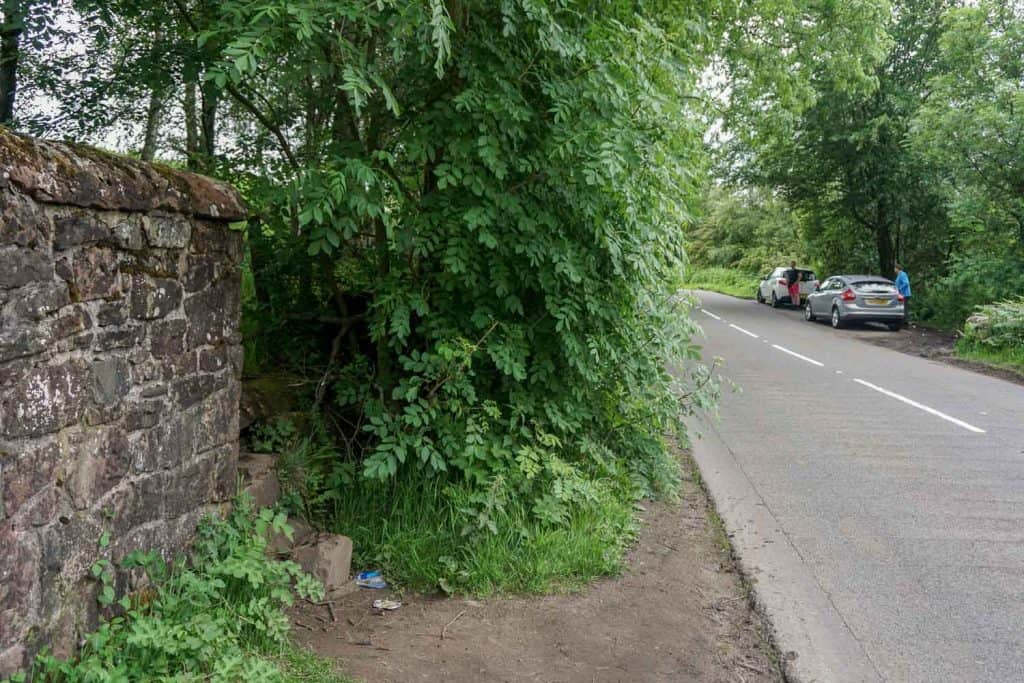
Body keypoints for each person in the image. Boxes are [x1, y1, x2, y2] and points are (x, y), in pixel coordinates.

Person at [894, 263, 911, 327]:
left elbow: (906, 283)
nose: (894, 270)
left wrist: (899, 289)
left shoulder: (903, 274)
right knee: (902, 308)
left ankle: (906, 323)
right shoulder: (899, 275)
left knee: (904, 309)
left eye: (895, 268)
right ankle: (903, 322)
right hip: (901, 294)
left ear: (897, 268)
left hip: (905, 294)